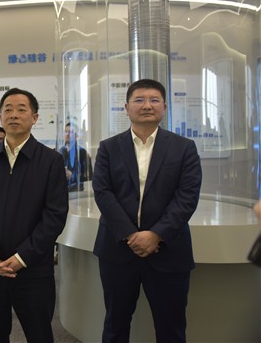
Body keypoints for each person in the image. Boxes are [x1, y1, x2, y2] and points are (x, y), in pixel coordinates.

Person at [92, 79, 203, 343]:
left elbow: (187, 196)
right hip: (118, 250)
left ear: (164, 106)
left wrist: (156, 234)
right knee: (115, 325)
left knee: (171, 328)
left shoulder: (184, 147)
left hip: (169, 251)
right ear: (126, 107)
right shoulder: (109, 147)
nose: (147, 105)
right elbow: (103, 192)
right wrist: (131, 234)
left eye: (154, 100)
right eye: (139, 100)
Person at [0, 88, 69, 342]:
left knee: (39, 333)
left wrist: (22, 257)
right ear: (0, 117)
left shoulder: (51, 160)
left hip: (33, 269)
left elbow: (55, 215)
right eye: (8, 109)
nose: (14, 114)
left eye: (21, 109)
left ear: (34, 118)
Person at [59, 122, 92, 191]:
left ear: (76, 135)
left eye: (70, 132)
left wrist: (72, 176)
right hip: (61, 190)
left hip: (77, 191)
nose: (67, 134)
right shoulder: (59, 152)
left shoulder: (82, 152)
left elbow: (89, 176)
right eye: (65, 132)